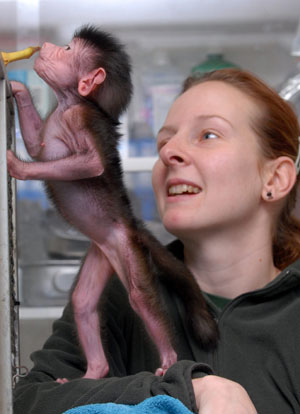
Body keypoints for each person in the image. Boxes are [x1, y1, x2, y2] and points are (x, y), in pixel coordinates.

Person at [13, 68, 300, 414]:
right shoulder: (121, 292)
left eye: (208, 135)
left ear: (276, 178)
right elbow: (27, 401)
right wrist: (188, 390)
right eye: (164, 141)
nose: (168, 153)